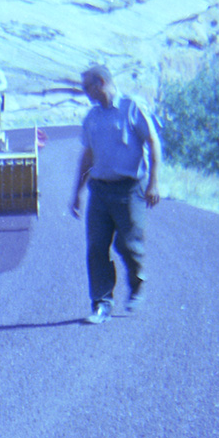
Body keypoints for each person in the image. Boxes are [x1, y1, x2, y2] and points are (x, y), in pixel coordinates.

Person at [69, 64, 162, 324]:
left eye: (86, 87)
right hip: (99, 191)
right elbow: (87, 156)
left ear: (100, 83)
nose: (84, 92)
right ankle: (101, 304)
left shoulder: (132, 107)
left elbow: (154, 143)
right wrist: (77, 192)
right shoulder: (92, 117)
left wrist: (153, 183)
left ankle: (137, 283)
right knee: (96, 247)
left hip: (130, 190)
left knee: (129, 246)